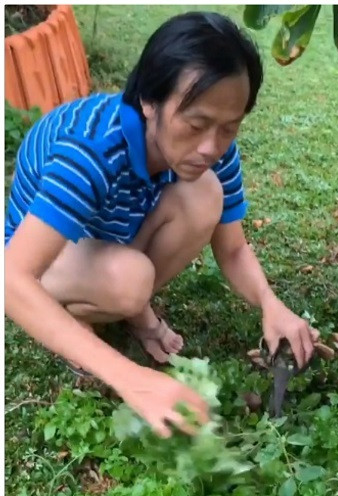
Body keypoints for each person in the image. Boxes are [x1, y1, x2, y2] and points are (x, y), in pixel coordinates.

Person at [4, 12, 317, 438]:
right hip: (48, 253)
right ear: (149, 101)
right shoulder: (90, 148)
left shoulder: (216, 152)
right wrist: (131, 378)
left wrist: (270, 303)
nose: (211, 147)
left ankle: (128, 309)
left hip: (109, 236)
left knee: (205, 194)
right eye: (196, 124)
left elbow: (234, 249)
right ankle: (79, 313)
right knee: (130, 279)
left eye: (229, 127)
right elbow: (11, 278)